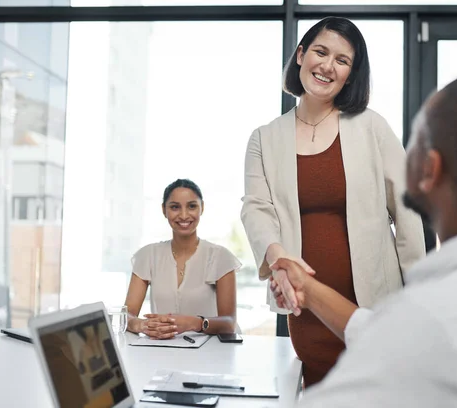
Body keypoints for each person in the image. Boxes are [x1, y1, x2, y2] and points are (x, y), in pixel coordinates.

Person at [271, 73, 457, 407]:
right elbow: (391, 338)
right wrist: (309, 289)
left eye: (416, 141)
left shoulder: (433, 317)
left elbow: (415, 339)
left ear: (430, 168)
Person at [241, 16, 425, 386]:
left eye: (342, 60)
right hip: (306, 310)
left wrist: (420, 294)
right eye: (321, 52)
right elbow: (257, 208)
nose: (327, 66)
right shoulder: (264, 138)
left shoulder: (372, 127)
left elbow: (408, 212)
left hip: (377, 305)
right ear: (300, 55)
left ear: (351, 74)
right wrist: (279, 259)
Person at [125, 179, 241, 338]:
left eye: (192, 206)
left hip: (211, 352)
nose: (184, 215)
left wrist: (194, 323)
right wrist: (141, 324)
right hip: (162, 349)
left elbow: (229, 323)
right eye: (174, 207)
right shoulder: (147, 256)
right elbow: (128, 315)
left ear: (202, 208)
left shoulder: (220, 257)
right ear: (164, 210)